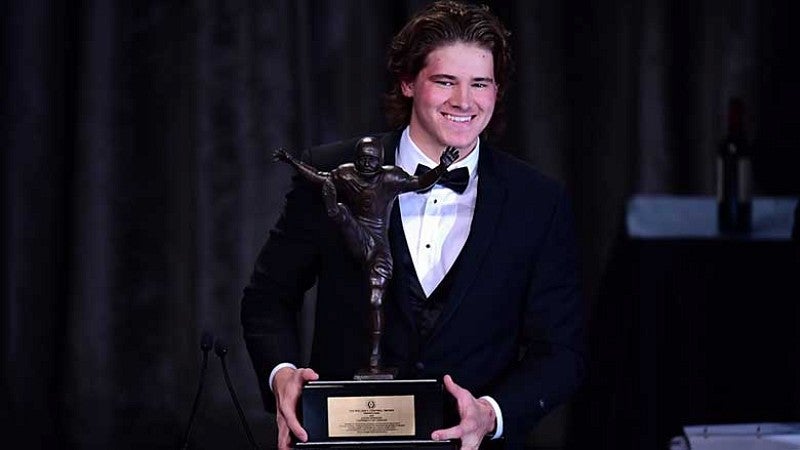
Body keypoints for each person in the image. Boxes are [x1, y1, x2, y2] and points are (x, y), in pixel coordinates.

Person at [241, 1, 585, 449]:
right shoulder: (333, 172)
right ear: (407, 82)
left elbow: (562, 353)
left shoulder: (538, 201)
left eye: (480, 83)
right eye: (445, 81)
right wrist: (282, 375)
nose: (464, 101)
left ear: (497, 90)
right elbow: (268, 298)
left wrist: (491, 413)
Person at [272, 139, 459, 374]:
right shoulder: (346, 174)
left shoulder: (390, 179)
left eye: (371, 159)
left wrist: (442, 167)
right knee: (341, 211)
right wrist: (292, 162)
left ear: (380, 161)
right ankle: (336, 210)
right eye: (362, 159)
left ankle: (374, 359)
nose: (366, 164)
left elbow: (420, 182)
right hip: (355, 237)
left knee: (375, 301)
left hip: (378, 247)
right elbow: (319, 177)